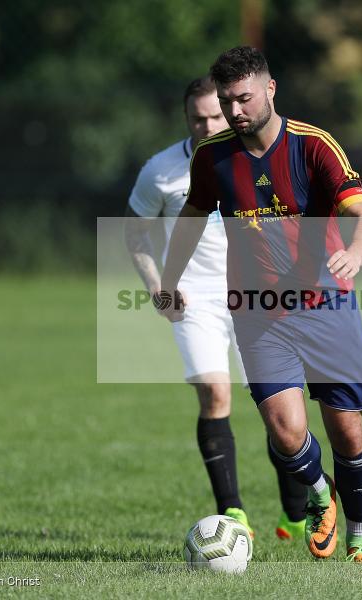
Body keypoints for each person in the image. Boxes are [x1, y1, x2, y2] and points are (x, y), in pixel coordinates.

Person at [158, 46, 362, 563]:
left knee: (347, 432)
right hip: (258, 312)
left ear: (270, 89)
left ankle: (361, 539)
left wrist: (355, 253)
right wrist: (170, 280)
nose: (235, 110)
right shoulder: (212, 156)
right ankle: (320, 493)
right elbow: (190, 219)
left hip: (326, 305)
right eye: (226, 101)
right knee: (285, 433)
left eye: (244, 98)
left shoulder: (314, 145)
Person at [124, 76, 307, 540]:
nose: (207, 126)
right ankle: (232, 512)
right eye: (197, 119)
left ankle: (295, 510)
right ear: (185, 118)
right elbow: (135, 232)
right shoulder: (161, 170)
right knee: (215, 394)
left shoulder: (258, 157)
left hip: (257, 293)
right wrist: (157, 287)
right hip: (194, 296)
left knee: (276, 406)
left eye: (214, 116)